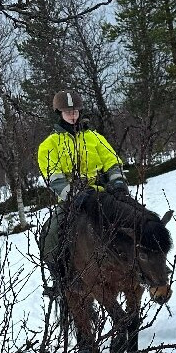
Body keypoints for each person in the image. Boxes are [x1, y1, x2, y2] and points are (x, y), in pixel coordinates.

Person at [36, 90, 130, 296]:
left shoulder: (94, 137)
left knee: (137, 218)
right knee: (50, 235)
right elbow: (54, 178)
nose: (73, 115)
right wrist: (73, 195)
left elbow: (112, 162)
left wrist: (118, 184)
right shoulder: (48, 145)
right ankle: (61, 280)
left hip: (103, 193)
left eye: (76, 111)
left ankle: (148, 266)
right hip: (73, 199)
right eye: (68, 111)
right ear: (59, 113)